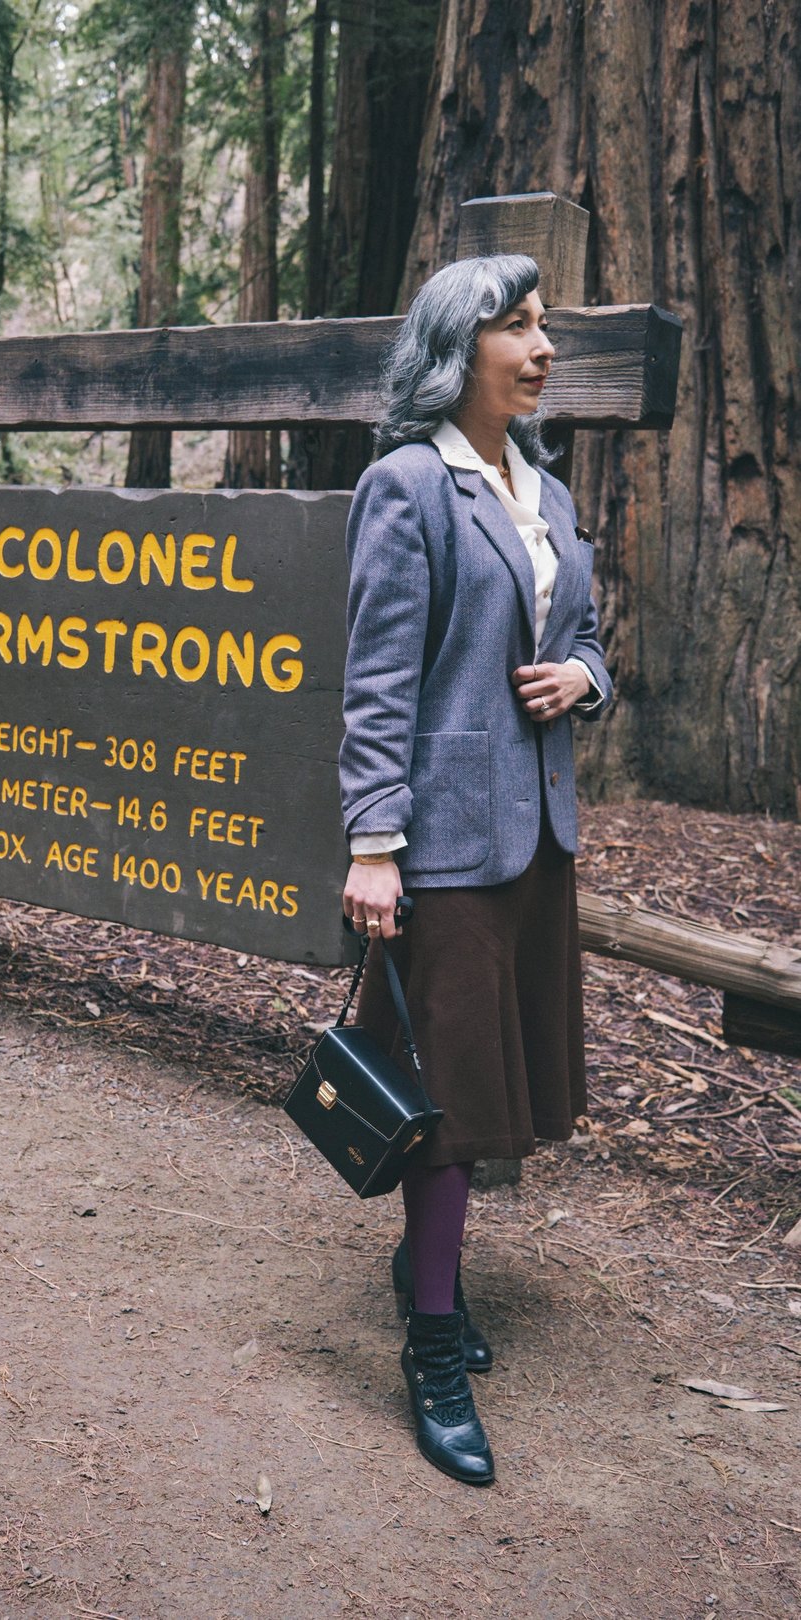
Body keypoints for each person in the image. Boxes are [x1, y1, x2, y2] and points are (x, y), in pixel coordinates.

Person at [339, 253, 612, 1487]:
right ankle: (433, 1344)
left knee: (489, 1090)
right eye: (519, 326)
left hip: (536, 833)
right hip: (442, 844)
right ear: (461, 349)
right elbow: (379, 685)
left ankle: (421, 1268)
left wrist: (583, 681)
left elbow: (588, 638)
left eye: (544, 325)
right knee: (446, 1103)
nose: (544, 346)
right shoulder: (408, 487)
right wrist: (374, 845)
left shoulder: (543, 492)